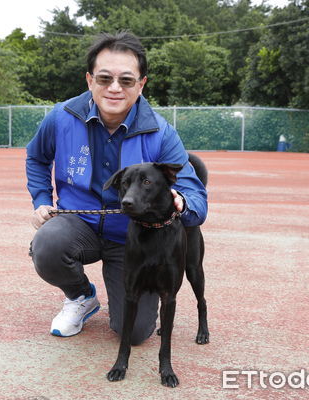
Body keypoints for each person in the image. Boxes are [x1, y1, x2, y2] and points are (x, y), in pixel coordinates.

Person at [26, 31, 208, 345]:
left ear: (141, 84)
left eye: (126, 80)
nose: (114, 88)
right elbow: (36, 157)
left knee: (134, 333)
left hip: (134, 238)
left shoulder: (162, 134)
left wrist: (182, 201)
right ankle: (81, 296)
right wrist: (42, 199)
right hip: (77, 222)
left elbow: (196, 198)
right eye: (104, 78)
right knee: (48, 244)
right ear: (88, 80)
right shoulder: (60, 117)